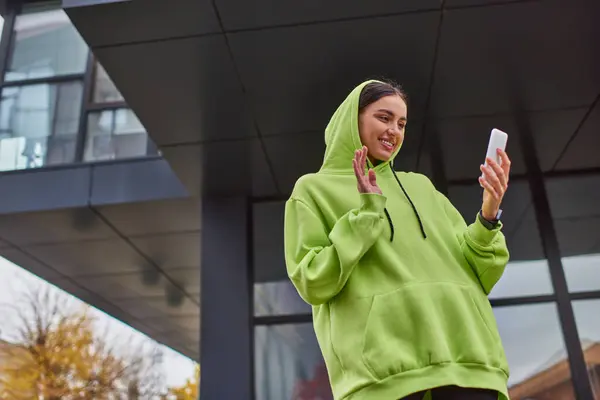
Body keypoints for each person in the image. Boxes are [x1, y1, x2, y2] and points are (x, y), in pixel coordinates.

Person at [284, 79, 511, 400]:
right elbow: (312, 281)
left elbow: (481, 272)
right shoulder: (312, 190)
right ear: (354, 119)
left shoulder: (421, 186)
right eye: (384, 117)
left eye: (401, 123)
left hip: (467, 359)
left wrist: (489, 213)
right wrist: (365, 215)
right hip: (383, 373)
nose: (395, 130)